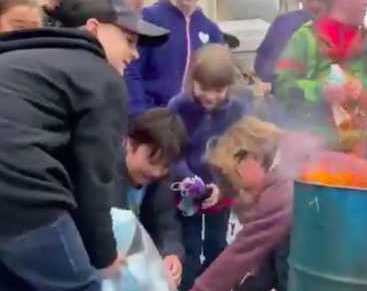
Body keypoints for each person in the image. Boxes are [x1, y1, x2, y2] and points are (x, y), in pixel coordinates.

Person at [0, 0, 169, 290]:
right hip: (24, 198)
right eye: (129, 41)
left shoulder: (26, 62)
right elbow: (92, 178)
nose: (135, 54)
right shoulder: (100, 78)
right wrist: (104, 255)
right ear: (93, 29)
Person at [274, 0, 367, 157]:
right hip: (313, 152)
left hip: (360, 153)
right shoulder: (304, 38)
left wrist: (363, 89)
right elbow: (281, 85)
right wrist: (321, 91)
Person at [191, 116, 323, 291]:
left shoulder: (283, 189)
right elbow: (268, 264)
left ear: (253, 157)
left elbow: (243, 251)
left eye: (234, 177)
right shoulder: (290, 170)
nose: (237, 187)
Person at [168, 44, 249, 291]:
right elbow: (173, 149)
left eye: (219, 90)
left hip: (221, 190)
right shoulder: (178, 107)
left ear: (229, 87)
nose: (211, 97)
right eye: (204, 88)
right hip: (187, 191)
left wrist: (223, 187)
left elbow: (240, 155)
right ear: (193, 81)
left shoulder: (238, 111)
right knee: (189, 247)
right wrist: (186, 178)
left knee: (216, 244)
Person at [125, 0, 226, 120]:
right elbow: (132, 69)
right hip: (154, 118)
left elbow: (222, 78)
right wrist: (138, 114)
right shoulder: (150, 18)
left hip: (194, 123)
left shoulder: (211, 30)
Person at [113, 107, 187, 288]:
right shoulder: (104, 175)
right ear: (130, 144)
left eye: (165, 166)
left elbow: (166, 223)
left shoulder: (160, 181)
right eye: (152, 161)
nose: (156, 172)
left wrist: (172, 254)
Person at [254, 0, 330, 83]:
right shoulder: (282, 24)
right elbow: (262, 59)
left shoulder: (346, 27)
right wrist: (279, 76)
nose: (314, 5)